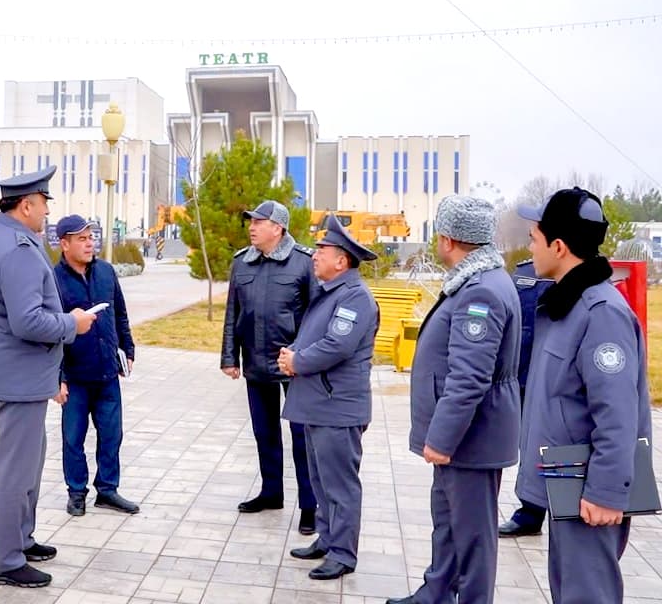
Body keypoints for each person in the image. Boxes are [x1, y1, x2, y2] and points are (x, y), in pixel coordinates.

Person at [515, 187, 650, 603]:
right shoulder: (566, 305)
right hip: (567, 473)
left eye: (534, 239)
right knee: (569, 590)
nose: (530, 248)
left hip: (589, 483)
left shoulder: (601, 313)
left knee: (588, 594)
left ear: (558, 246)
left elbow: (618, 413)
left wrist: (605, 491)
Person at [387, 196, 521, 604]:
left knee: (473, 536)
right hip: (466, 438)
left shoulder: (480, 293)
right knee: (447, 524)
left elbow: (469, 377)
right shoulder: (478, 281)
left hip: (470, 440)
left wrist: (441, 438)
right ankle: (436, 593)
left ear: (448, 239)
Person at [0, 166, 97, 588]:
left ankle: (21, 540)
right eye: (43, 203)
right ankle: (5, 561)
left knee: (29, 463)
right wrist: (72, 323)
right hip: (19, 378)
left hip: (12, 374)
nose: (46, 212)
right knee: (17, 472)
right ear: (26, 205)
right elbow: (27, 321)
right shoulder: (19, 249)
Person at [278, 213, 378, 580]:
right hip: (319, 404)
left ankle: (343, 553)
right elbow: (317, 336)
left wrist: (297, 361)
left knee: (340, 484)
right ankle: (328, 537)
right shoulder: (330, 292)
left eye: (323, 250)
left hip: (338, 408)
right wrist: (293, 352)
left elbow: (337, 345)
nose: (315, 255)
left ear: (342, 261)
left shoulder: (355, 298)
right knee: (321, 481)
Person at [220, 201, 319, 535]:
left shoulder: (303, 263)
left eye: (258, 222)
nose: (251, 227)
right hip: (256, 361)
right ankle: (271, 492)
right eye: (250, 222)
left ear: (278, 228)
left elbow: (316, 316)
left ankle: (309, 506)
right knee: (264, 432)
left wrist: (304, 357)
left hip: (294, 365)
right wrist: (229, 357)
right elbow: (232, 313)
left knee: (302, 438)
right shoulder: (242, 262)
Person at [52, 214, 139, 516]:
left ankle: (108, 490)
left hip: (107, 372)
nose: (89, 244)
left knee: (112, 435)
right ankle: (76, 492)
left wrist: (127, 348)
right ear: (64, 244)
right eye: (82, 239)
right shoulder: (53, 280)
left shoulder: (105, 272)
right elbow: (51, 332)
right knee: (73, 438)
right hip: (75, 376)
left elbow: (120, 313)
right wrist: (58, 376)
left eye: (91, 237)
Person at [498, 259, 554, 538]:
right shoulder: (523, 272)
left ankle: (559, 510)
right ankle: (531, 511)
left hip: (555, 378)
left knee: (551, 443)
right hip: (520, 374)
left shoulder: (584, 279)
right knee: (528, 444)